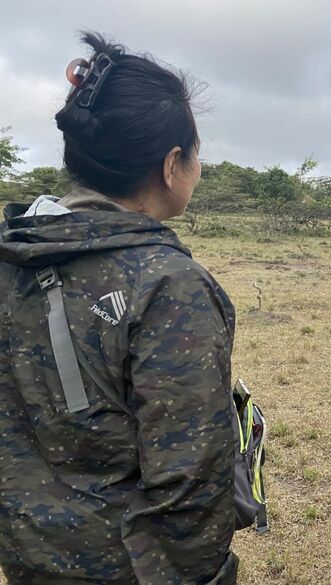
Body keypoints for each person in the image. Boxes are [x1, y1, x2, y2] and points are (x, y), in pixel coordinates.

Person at [0, 33, 238, 584]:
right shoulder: (169, 284)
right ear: (173, 163)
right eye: (196, 152)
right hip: (130, 566)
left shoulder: (13, 255)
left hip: (24, 549)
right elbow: (190, 477)